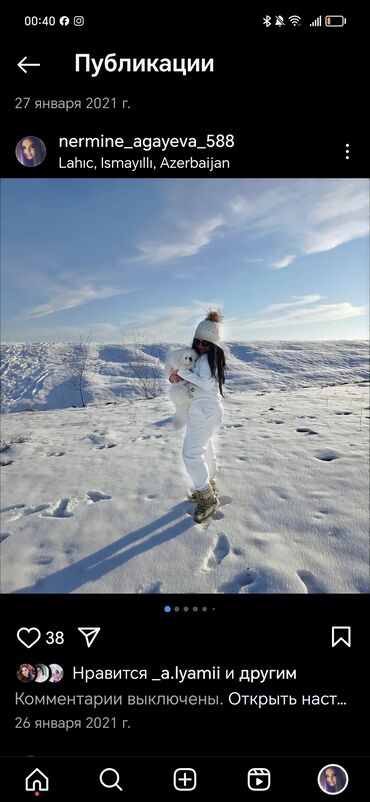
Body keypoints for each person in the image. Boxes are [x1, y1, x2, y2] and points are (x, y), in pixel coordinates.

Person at [169, 310, 226, 523]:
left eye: (206, 343)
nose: (201, 346)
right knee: (205, 450)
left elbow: (205, 383)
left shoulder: (206, 361)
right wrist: (178, 378)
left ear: (214, 346)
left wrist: (181, 373)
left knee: (191, 454)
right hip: (205, 410)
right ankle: (208, 486)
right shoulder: (203, 359)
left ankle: (206, 497)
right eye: (198, 341)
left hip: (204, 411)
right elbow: (198, 383)